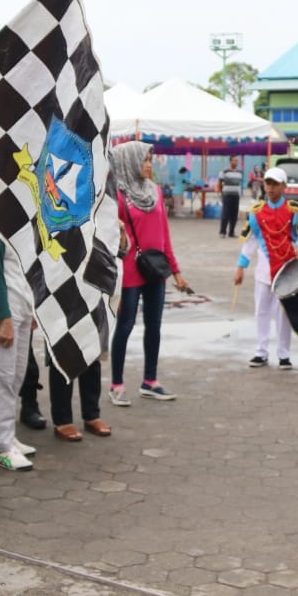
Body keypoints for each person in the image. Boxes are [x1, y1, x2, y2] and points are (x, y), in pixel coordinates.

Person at [110, 142, 190, 403]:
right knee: (126, 325)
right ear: (129, 162)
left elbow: (165, 236)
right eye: (143, 160)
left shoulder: (155, 191)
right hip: (130, 270)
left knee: (154, 326)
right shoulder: (118, 196)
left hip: (156, 269)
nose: (148, 165)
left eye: (149, 160)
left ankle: (150, 381)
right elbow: (112, 239)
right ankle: (117, 385)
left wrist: (176, 272)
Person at [0, 217, 39, 470]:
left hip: (22, 308)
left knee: (16, 375)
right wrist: (4, 316)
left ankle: (7, 435)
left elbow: (33, 269)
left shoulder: (29, 221)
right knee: (1, 376)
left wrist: (33, 309)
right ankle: (1, 447)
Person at [235, 166, 298, 370]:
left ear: (284, 186)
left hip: (286, 271)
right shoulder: (256, 213)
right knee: (261, 311)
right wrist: (241, 267)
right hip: (263, 272)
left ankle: (284, 354)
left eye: (275, 184)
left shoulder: (294, 211)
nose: (270, 187)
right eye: (268, 183)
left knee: (283, 314)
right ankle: (261, 352)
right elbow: (250, 243)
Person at [218, 156, 243, 238]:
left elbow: (239, 184)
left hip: (236, 195)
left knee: (234, 215)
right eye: (234, 160)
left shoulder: (240, 172)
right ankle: (223, 232)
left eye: (237, 161)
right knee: (225, 214)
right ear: (230, 161)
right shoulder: (224, 171)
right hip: (227, 195)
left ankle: (231, 232)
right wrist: (221, 192)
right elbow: (220, 183)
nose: (236, 162)